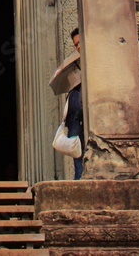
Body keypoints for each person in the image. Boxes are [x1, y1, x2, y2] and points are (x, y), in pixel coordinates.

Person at [66, 28, 85, 180]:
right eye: (75, 44)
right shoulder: (76, 65)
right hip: (75, 119)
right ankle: (78, 178)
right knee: (77, 154)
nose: (78, 47)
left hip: (84, 118)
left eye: (79, 43)